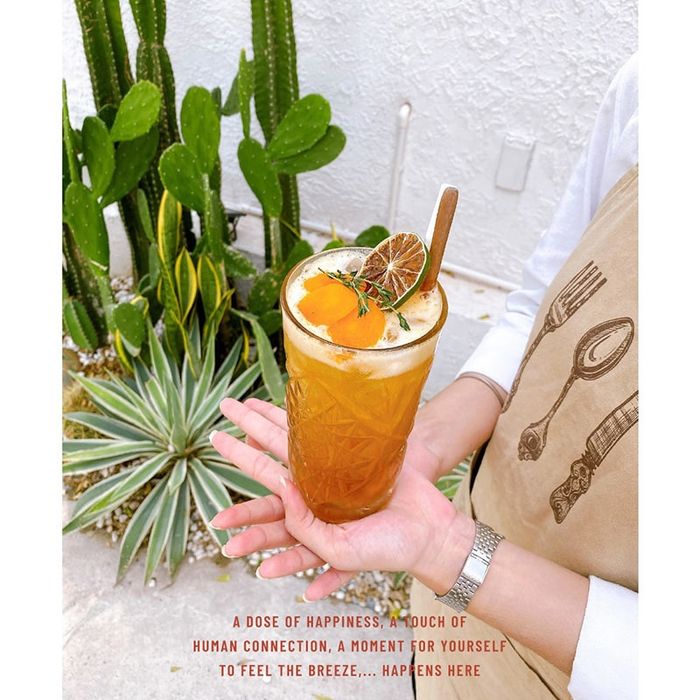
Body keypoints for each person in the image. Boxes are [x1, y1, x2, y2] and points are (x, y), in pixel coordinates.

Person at [209, 52, 638, 700]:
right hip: (453, 605)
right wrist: (422, 449)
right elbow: (542, 307)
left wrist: (447, 551)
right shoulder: (654, 80)